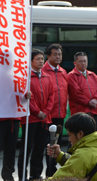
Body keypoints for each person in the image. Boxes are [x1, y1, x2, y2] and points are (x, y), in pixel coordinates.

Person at [46, 112, 97, 181]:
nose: (69, 139)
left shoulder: (83, 154)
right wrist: (59, 155)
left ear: (80, 134)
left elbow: (58, 179)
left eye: (69, 135)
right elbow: (81, 164)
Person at [18, 49, 54, 181]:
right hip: (30, 119)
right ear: (31, 61)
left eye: (42, 59)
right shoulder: (25, 77)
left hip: (44, 118)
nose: (41, 61)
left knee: (40, 148)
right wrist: (37, 112)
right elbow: (26, 98)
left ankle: (36, 174)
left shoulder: (47, 77)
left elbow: (52, 96)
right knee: (26, 149)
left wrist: (46, 112)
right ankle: (23, 175)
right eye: (38, 59)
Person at [43, 44, 68, 177]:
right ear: (48, 56)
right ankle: (49, 171)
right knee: (48, 145)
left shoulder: (63, 72)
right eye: (55, 54)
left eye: (60, 54)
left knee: (57, 143)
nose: (58, 57)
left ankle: (52, 170)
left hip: (60, 113)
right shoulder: (43, 71)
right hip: (47, 115)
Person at [67, 52, 97, 131]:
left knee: (93, 137)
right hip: (79, 113)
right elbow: (75, 93)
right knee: (79, 138)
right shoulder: (71, 75)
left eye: (85, 61)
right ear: (74, 63)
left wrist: (95, 99)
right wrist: (88, 102)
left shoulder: (92, 74)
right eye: (80, 61)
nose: (83, 63)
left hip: (93, 113)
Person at [0, 92, 31, 181]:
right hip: (2, 118)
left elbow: (23, 91)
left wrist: (28, 95)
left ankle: (8, 175)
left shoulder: (16, 78)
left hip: (14, 118)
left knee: (11, 149)